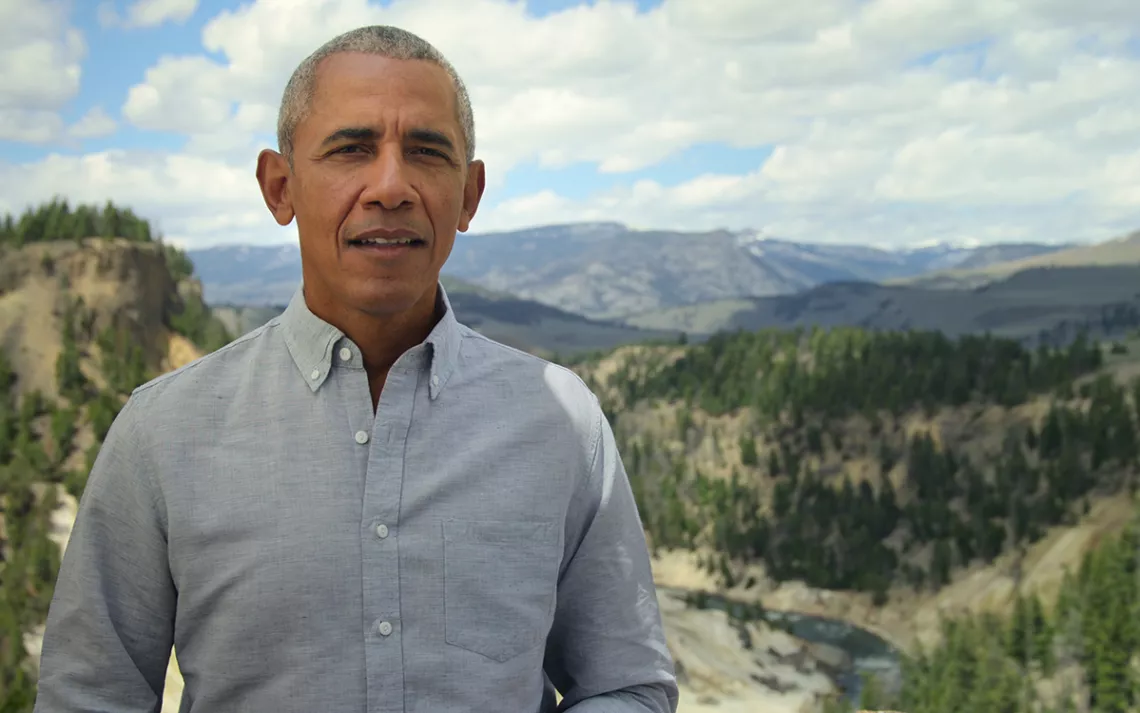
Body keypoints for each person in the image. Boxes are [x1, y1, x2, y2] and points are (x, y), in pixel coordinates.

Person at [33, 24, 679, 713]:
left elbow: (625, 684)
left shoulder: (560, 420)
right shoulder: (164, 433)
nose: (392, 185)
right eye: (352, 148)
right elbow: (90, 694)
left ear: (469, 193)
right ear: (279, 186)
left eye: (428, 152)